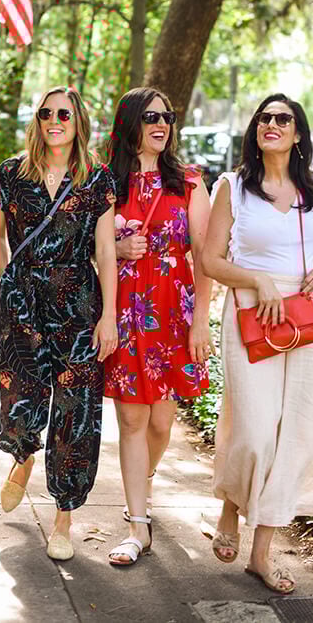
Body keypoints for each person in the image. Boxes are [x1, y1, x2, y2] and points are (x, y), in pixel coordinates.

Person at [202, 93, 313, 594]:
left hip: (308, 316)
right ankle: (230, 504)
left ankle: (262, 551)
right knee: (256, 429)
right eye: (264, 118)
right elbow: (211, 260)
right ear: (255, 131)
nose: (272, 124)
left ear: (298, 134)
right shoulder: (233, 188)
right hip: (251, 311)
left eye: (283, 119)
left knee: (297, 431)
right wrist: (258, 280)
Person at [0, 85, 117, 562]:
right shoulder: (11, 174)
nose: (54, 120)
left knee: (76, 409)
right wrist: (10, 283)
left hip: (80, 303)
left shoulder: (97, 179)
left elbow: (105, 251)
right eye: (46, 113)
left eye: (64, 113)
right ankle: (22, 454)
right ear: (37, 121)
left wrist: (109, 316)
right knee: (20, 387)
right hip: (23, 301)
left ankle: (63, 517)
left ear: (78, 120)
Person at [103, 86, 213, 566]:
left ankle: (141, 484)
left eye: (167, 115)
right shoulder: (106, 182)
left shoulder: (189, 182)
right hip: (126, 308)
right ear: (130, 123)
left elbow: (206, 258)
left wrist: (202, 320)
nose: (161, 123)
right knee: (132, 417)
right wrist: (113, 250)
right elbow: (89, 245)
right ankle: (137, 525)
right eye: (151, 116)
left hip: (172, 312)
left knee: (162, 422)